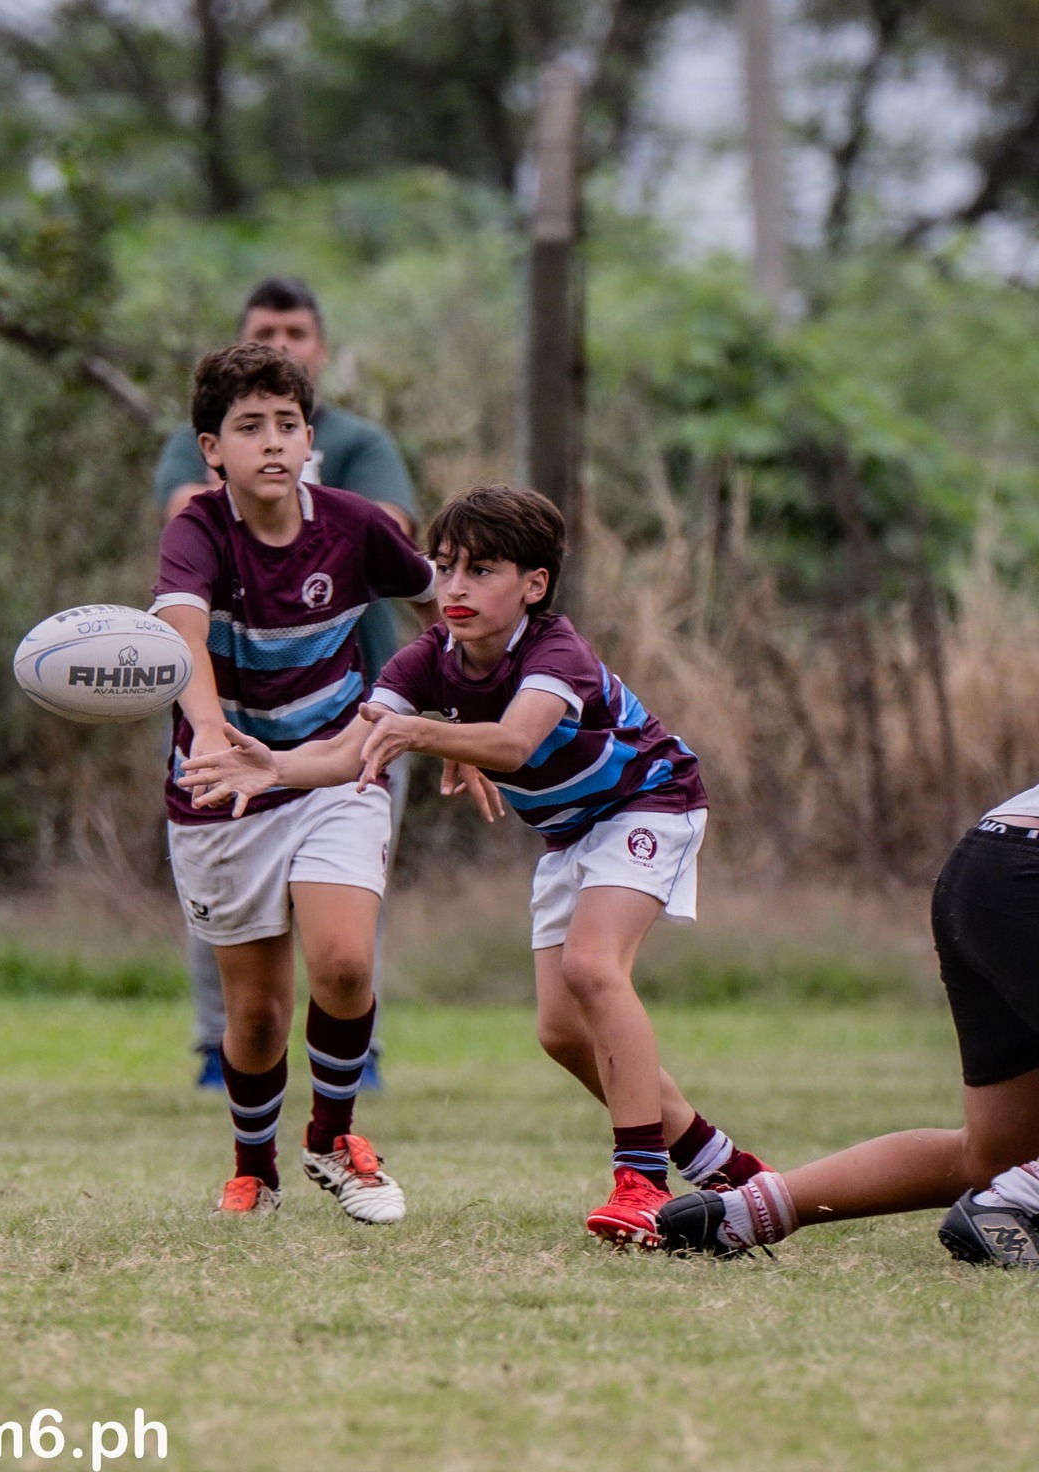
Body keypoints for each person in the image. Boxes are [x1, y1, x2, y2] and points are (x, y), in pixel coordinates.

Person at [182, 483, 770, 1246]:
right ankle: (718, 1161)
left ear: (534, 585)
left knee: (595, 970)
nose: (455, 587)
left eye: (482, 570)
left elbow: (514, 743)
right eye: (447, 566)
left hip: (649, 802)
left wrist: (423, 736)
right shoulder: (429, 658)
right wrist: (279, 767)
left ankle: (643, 1184)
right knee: (561, 1032)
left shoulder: (556, 651)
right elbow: (355, 747)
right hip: (569, 836)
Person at [153, 342, 440, 1221]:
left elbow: (445, 607)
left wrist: (461, 723)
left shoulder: (354, 525)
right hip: (221, 792)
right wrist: (209, 730)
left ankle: (332, 1136)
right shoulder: (197, 529)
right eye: (249, 427)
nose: (272, 443)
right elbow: (181, 634)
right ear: (213, 448)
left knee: (346, 963)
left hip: (332, 769)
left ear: (309, 438)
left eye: (287, 425)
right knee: (258, 1014)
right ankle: (254, 1169)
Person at [660, 788, 1039, 1265]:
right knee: (1011, 1174)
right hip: (1028, 871)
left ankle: (745, 1212)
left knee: (996, 1155)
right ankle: (1014, 1201)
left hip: (983, 862)